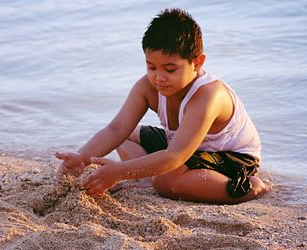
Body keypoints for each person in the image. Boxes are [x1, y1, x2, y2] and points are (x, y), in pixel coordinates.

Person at [56, 8, 271, 204]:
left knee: (165, 180)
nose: (159, 78)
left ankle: (249, 188)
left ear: (197, 63)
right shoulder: (147, 86)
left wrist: (119, 171)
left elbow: (174, 156)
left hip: (232, 157)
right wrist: (82, 157)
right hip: (186, 149)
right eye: (151, 67)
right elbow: (117, 129)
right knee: (127, 135)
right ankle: (155, 177)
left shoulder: (208, 95)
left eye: (170, 69)